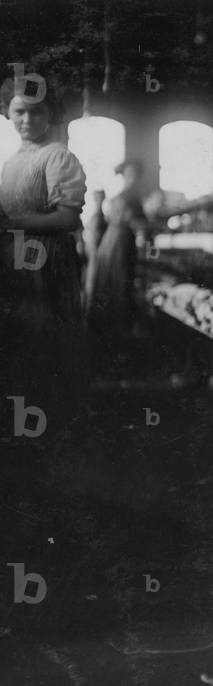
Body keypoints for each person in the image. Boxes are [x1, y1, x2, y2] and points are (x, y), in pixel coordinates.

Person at [0, 75, 88, 434]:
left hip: (47, 260)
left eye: (37, 113)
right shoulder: (10, 163)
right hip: (15, 258)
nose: (27, 121)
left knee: (47, 339)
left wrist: (13, 224)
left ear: (49, 115)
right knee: (19, 339)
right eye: (20, 111)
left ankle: (54, 423)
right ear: (7, 112)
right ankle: (24, 421)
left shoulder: (58, 156)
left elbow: (67, 216)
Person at [88, 159, 148, 341]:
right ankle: (120, 331)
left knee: (113, 282)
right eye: (131, 175)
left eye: (135, 175)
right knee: (121, 282)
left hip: (112, 240)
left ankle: (111, 330)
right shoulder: (131, 197)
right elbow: (140, 224)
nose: (133, 179)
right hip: (121, 241)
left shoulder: (121, 196)